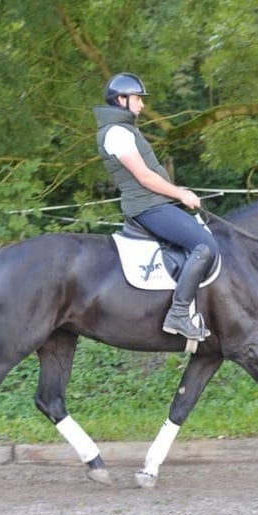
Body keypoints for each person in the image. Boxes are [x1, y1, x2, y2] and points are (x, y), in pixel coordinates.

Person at [94, 72, 219, 341]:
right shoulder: (116, 134)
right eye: (137, 98)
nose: (141, 105)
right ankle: (179, 314)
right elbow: (145, 177)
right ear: (121, 99)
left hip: (154, 203)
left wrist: (177, 193)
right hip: (147, 207)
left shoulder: (126, 130)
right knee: (205, 246)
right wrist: (181, 194)